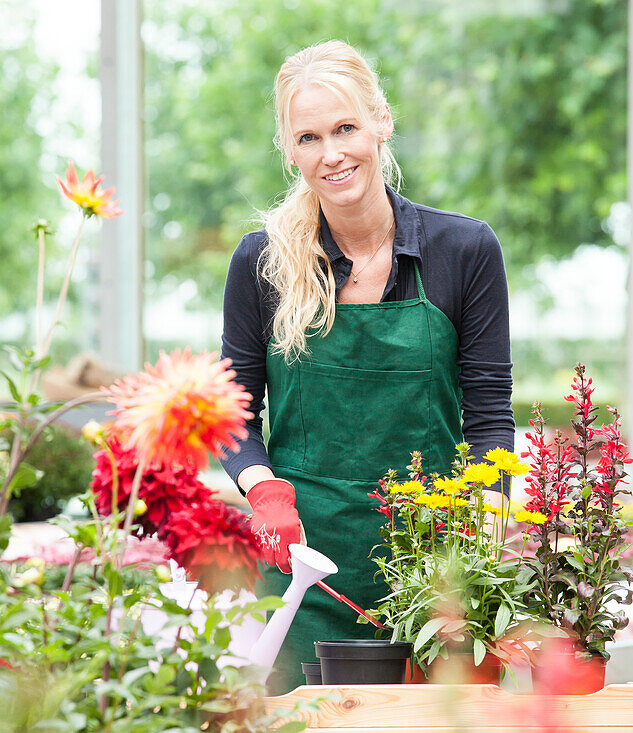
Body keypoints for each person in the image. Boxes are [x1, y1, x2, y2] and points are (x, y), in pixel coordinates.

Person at [219, 40, 514, 693]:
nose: (332, 153)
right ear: (290, 150)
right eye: (310, 137)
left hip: (433, 569)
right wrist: (263, 490)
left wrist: (485, 541)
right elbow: (232, 415)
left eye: (346, 127)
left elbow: (490, 412)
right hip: (303, 574)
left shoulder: (463, 250)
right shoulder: (261, 262)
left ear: (381, 120)